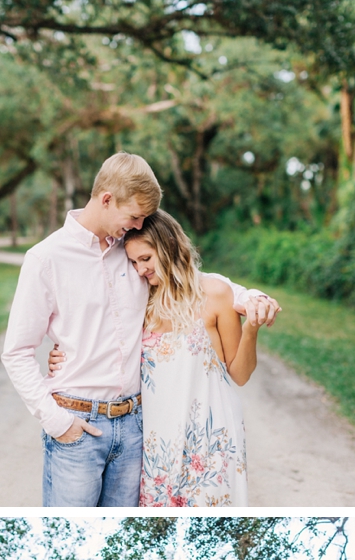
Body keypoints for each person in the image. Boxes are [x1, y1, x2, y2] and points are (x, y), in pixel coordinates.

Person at [1, 151, 278, 507]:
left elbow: (192, 283)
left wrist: (251, 296)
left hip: (135, 429)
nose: (137, 225)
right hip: (77, 425)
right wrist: (56, 422)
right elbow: (17, 351)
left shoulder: (127, 248)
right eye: (133, 216)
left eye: (143, 219)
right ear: (106, 199)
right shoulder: (46, 258)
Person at [49, 210, 272, 505]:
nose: (140, 270)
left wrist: (251, 329)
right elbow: (103, 345)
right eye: (133, 262)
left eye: (146, 259)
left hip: (210, 440)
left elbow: (240, 375)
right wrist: (62, 357)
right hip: (158, 442)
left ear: (168, 246)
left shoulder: (215, 294)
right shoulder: (140, 301)